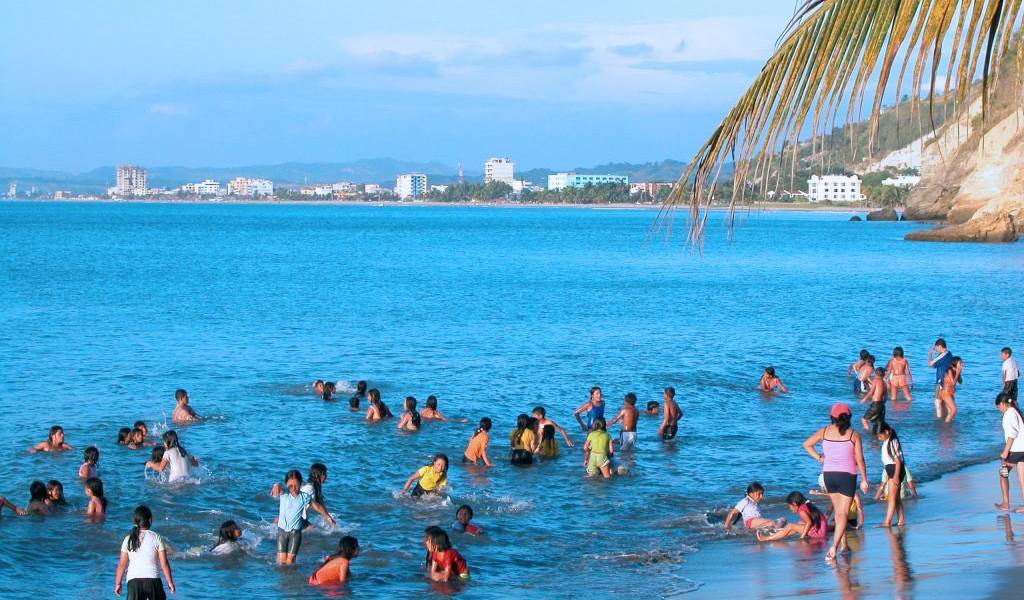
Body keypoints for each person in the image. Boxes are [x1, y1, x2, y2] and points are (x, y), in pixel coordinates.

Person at [802, 402, 870, 561]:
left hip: (829, 476)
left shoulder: (824, 431)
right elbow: (860, 459)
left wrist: (819, 458)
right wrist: (864, 479)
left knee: (839, 512)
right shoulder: (853, 435)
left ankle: (844, 545)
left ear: (832, 417)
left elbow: (806, 445)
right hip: (847, 476)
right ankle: (834, 548)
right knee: (842, 513)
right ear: (849, 417)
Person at [273, 469, 334, 565]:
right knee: (281, 561)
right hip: (282, 532)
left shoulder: (304, 497)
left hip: (295, 534)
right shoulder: (284, 493)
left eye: (296, 486)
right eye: (290, 486)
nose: (293, 488)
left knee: (290, 561)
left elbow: (317, 506)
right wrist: (276, 484)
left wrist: (328, 517)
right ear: (286, 484)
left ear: (300, 484)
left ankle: (292, 574)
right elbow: (279, 486)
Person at [113, 505, 176, 598]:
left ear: (135, 521)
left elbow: (122, 564)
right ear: (150, 520)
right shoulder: (156, 537)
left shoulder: (128, 539)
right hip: (153, 580)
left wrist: (118, 583)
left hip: (134, 582)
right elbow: (164, 563)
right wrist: (170, 582)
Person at [756, 491, 827, 541]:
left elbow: (809, 523)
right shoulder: (806, 505)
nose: (790, 509)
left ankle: (767, 538)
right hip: (821, 530)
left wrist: (802, 537)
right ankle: (779, 535)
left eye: (789, 506)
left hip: (818, 533)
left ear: (794, 504)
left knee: (790, 526)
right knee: (798, 524)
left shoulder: (801, 510)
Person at [995, 393, 1024, 511]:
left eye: (998, 407)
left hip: (1017, 450)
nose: (999, 410)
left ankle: (1005, 503)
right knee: (1022, 478)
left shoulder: (1009, 414)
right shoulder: (1015, 411)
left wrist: (1005, 452)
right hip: (1022, 449)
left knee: (1003, 474)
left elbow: (1012, 435)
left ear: (1002, 404)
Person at [876, 422, 906, 527]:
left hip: (895, 471)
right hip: (891, 471)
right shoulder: (886, 442)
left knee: (892, 498)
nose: (879, 438)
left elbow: (898, 460)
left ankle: (887, 522)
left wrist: (896, 476)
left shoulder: (893, 442)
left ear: (887, 432)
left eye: (880, 435)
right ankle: (901, 520)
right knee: (896, 498)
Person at [928, 338, 953, 413]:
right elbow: (934, 365)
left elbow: (930, 364)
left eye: (935, 347)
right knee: (945, 402)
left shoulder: (942, 355)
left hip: (941, 381)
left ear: (939, 346)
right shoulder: (949, 354)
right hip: (947, 381)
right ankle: (946, 417)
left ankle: (939, 418)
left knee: (937, 402)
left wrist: (930, 354)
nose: (935, 349)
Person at [860, 367, 887, 434]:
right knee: (879, 421)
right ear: (884, 375)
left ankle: (866, 433)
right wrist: (882, 404)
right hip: (882, 405)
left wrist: (864, 399)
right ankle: (878, 434)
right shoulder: (884, 383)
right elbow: (886, 396)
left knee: (864, 420)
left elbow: (871, 392)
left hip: (875, 404)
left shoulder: (875, 380)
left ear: (875, 374)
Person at [938, 356, 963, 423]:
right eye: (960, 363)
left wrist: (959, 373)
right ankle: (946, 425)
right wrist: (957, 373)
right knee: (954, 410)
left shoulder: (955, 371)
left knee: (950, 412)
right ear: (955, 363)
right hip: (945, 393)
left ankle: (947, 426)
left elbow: (960, 382)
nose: (962, 364)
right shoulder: (949, 370)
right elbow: (953, 383)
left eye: (962, 363)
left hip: (951, 393)